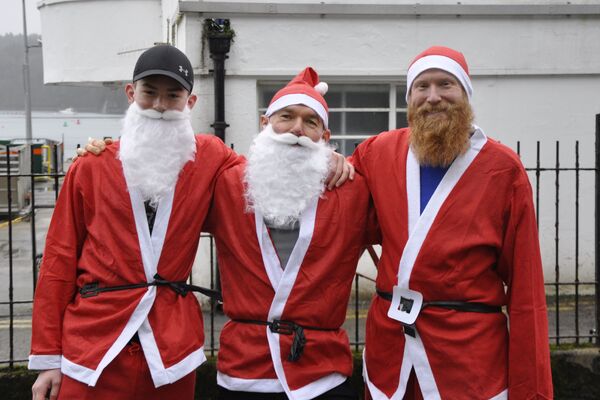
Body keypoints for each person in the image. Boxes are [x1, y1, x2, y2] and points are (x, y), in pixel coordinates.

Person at [79, 67, 379, 400]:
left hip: (322, 372)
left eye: (311, 123)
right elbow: (158, 166)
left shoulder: (353, 190)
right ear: (264, 124)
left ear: (325, 137)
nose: (296, 130)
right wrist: (107, 152)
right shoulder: (226, 182)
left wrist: (340, 160)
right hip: (243, 371)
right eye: (286, 117)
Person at [28, 44, 242, 400]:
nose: (160, 105)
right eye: (149, 93)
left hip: (171, 349)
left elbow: (269, 177)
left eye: (173, 95)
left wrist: (330, 163)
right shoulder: (90, 165)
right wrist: (49, 360)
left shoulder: (211, 157)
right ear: (131, 93)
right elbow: (58, 261)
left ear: (190, 102)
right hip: (93, 345)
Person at [351, 46, 553, 399]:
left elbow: (526, 289)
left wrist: (530, 388)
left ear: (465, 94)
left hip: (468, 359)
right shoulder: (376, 153)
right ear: (409, 98)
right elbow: (340, 214)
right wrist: (330, 163)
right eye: (421, 87)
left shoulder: (503, 169)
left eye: (446, 84)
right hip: (391, 355)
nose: (433, 98)